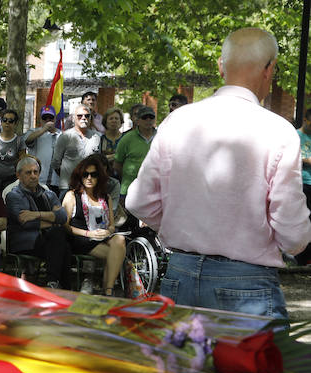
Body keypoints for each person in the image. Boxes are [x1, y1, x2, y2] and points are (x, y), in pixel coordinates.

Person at [128, 27, 311, 319]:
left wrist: (183, 224)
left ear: (220, 66)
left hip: (180, 275)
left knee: (186, 366)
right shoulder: (278, 131)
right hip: (248, 283)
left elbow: (139, 202)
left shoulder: (178, 121)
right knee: (253, 368)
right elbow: (292, 232)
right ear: (270, 69)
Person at [61, 155, 125, 295]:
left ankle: (107, 290)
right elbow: (64, 226)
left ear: (100, 177)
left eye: (94, 174)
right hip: (81, 238)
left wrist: (108, 231)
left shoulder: (105, 197)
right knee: (116, 254)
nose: (89, 178)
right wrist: (88, 233)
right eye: (85, 174)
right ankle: (108, 290)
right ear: (80, 176)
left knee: (120, 240)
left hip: (101, 237)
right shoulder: (72, 195)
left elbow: (112, 225)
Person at [5, 156, 71, 289]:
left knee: (61, 242)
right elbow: (26, 223)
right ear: (18, 175)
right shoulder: (14, 196)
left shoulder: (49, 194)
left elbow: (63, 216)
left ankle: (54, 283)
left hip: (48, 240)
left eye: (36, 172)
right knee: (60, 238)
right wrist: (53, 220)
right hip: (25, 241)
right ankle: (60, 286)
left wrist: (37, 214)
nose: (33, 176)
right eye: (28, 172)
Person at [51, 104, 101, 192]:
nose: (83, 118)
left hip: (89, 187)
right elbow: (56, 163)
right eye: (79, 116)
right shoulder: (65, 136)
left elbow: (98, 162)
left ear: (90, 118)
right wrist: (68, 175)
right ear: (74, 118)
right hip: (68, 186)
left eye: (87, 116)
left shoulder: (96, 137)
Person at [114, 105, 155, 199]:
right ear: (138, 120)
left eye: (151, 117)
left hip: (154, 191)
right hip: (129, 190)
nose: (148, 120)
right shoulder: (127, 138)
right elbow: (117, 165)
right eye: (144, 117)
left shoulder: (161, 137)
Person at [0, 108, 26, 190]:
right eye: (5, 120)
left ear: (15, 123)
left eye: (11, 121)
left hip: (10, 181)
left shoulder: (19, 141)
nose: (7, 123)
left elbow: (22, 161)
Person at [25, 106, 61, 189]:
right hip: (37, 181)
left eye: (51, 118)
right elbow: (27, 140)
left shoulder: (62, 134)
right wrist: (44, 129)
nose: (48, 121)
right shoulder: (34, 132)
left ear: (55, 119)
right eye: (45, 118)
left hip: (56, 182)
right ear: (40, 119)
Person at [296, 108, 311, 265]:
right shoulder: (295, 136)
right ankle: (302, 257)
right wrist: (306, 160)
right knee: (304, 219)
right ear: (305, 120)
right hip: (303, 183)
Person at [99, 107, 124, 173]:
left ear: (121, 121)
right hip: (104, 175)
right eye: (111, 118)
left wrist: (108, 157)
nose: (114, 121)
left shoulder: (126, 139)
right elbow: (99, 159)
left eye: (116, 118)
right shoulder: (100, 139)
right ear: (105, 122)